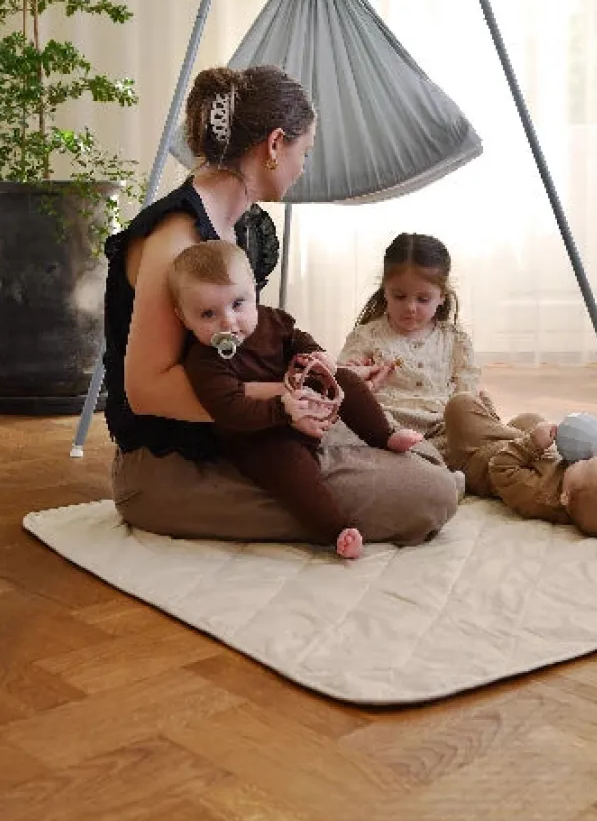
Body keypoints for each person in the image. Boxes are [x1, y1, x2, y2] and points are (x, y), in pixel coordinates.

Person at [103, 64, 459, 545]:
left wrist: (319, 376)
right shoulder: (176, 239)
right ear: (274, 145)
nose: (302, 167)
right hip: (171, 464)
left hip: (246, 431)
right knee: (428, 494)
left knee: (411, 454)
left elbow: (239, 352)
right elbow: (147, 392)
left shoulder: (238, 224)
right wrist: (288, 397)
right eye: (304, 151)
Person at [169, 241, 445, 558]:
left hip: (300, 399)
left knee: (346, 379)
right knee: (290, 469)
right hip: (258, 435)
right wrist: (283, 409)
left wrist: (316, 354)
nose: (228, 322)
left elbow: (296, 338)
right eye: (208, 314)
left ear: (254, 293)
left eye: (238, 304)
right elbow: (229, 409)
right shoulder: (203, 362)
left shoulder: (271, 320)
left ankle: (383, 434)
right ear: (184, 318)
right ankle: (335, 529)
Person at [337, 232, 481, 465]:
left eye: (423, 299)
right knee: (347, 434)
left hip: (441, 428)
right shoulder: (367, 336)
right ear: (385, 290)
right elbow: (343, 386)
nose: (411, 307)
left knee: (472, 422)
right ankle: (428, 467)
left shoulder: (456, 341)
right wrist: (351, 373)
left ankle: (430, 464)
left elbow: (466, 395)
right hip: (388, 426)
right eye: (400, 296)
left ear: (441, 297)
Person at [444, 393, 597, 537]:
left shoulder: (539, 495)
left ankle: (487, 421)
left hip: (479, 457)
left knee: (460, 404)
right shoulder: (584, 490)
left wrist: (532, 444)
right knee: (531, 419)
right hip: (520, 448)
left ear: (565, 497)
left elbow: (500, 468)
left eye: (587, 463)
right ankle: (493, 422)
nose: (586, 459)